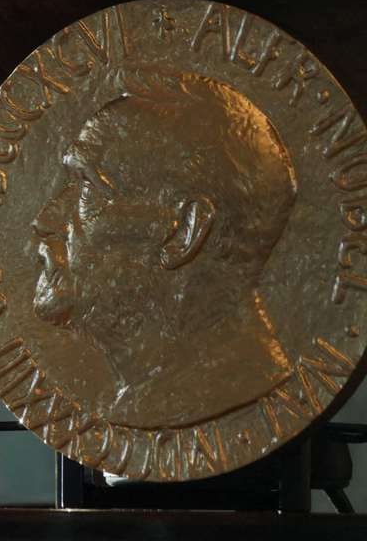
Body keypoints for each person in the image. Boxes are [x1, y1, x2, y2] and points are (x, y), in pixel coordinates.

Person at [31, 67, 295, 427]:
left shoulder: (220, 391)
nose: (45, 221)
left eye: (87, 187)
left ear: (184, 233)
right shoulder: (144, 398)